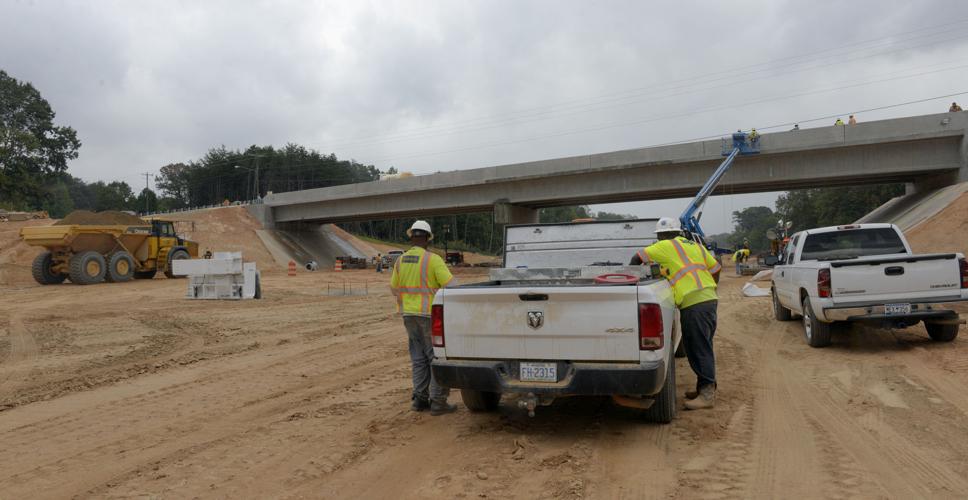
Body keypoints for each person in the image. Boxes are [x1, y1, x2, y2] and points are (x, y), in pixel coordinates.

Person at [629, 217, 721, 410]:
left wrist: (631, 275)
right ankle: (704, 387)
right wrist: (708, 288)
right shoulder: (695, 245)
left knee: (698, 348)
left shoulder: (663, 246)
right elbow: (716, 268)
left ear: (661, 235)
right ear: (679, 231)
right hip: (708, 299)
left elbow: (637, 258)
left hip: (693, 303)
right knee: (703, 344)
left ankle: (707, 395)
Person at [390, 221, 458, 416]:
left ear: (411, 237)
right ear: (427, 239)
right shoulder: (432, 260)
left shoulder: (401, 260)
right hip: (429, 316)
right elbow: (452, 286)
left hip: (408, 316)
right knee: (436, 357)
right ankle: (438, 402)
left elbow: (394, 287)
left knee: (418, 358)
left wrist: (408, 301)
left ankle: (420, 399)